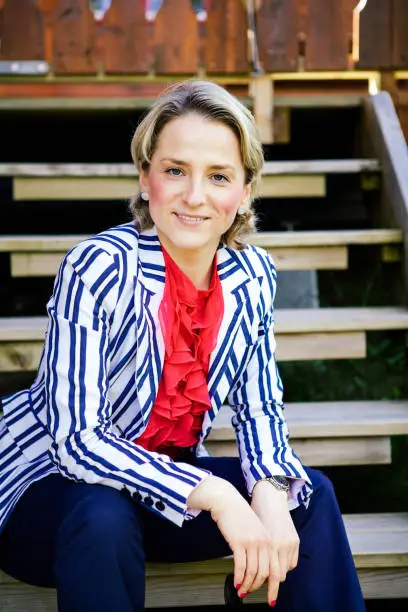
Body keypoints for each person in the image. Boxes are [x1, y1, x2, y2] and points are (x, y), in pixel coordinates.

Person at [0, 80, 365, 611]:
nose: (195, 196)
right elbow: (77, 442)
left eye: (218, 176)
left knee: (306, 497)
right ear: (147, 179)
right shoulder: (97, 266)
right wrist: (218, 495)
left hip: (154, 495)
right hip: (46, 493)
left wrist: (266, 490)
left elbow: (260, 407)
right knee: (103, 515)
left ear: (244, 194)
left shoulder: (253, 274)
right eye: (175, 170)